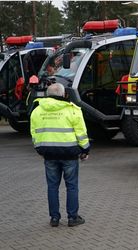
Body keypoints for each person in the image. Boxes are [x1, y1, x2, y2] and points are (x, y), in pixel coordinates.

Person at [30, 83, 90, 227]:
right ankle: (72, 218)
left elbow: (34, 133)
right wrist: (85, 150)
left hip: (49, 155)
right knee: (72, 186)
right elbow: (81, 133)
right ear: (63, 95)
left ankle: (54, 218)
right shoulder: (72, 110)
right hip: (69, 154)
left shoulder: (37, 111)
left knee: (52, 187)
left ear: (47, 94)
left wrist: (39, 149)